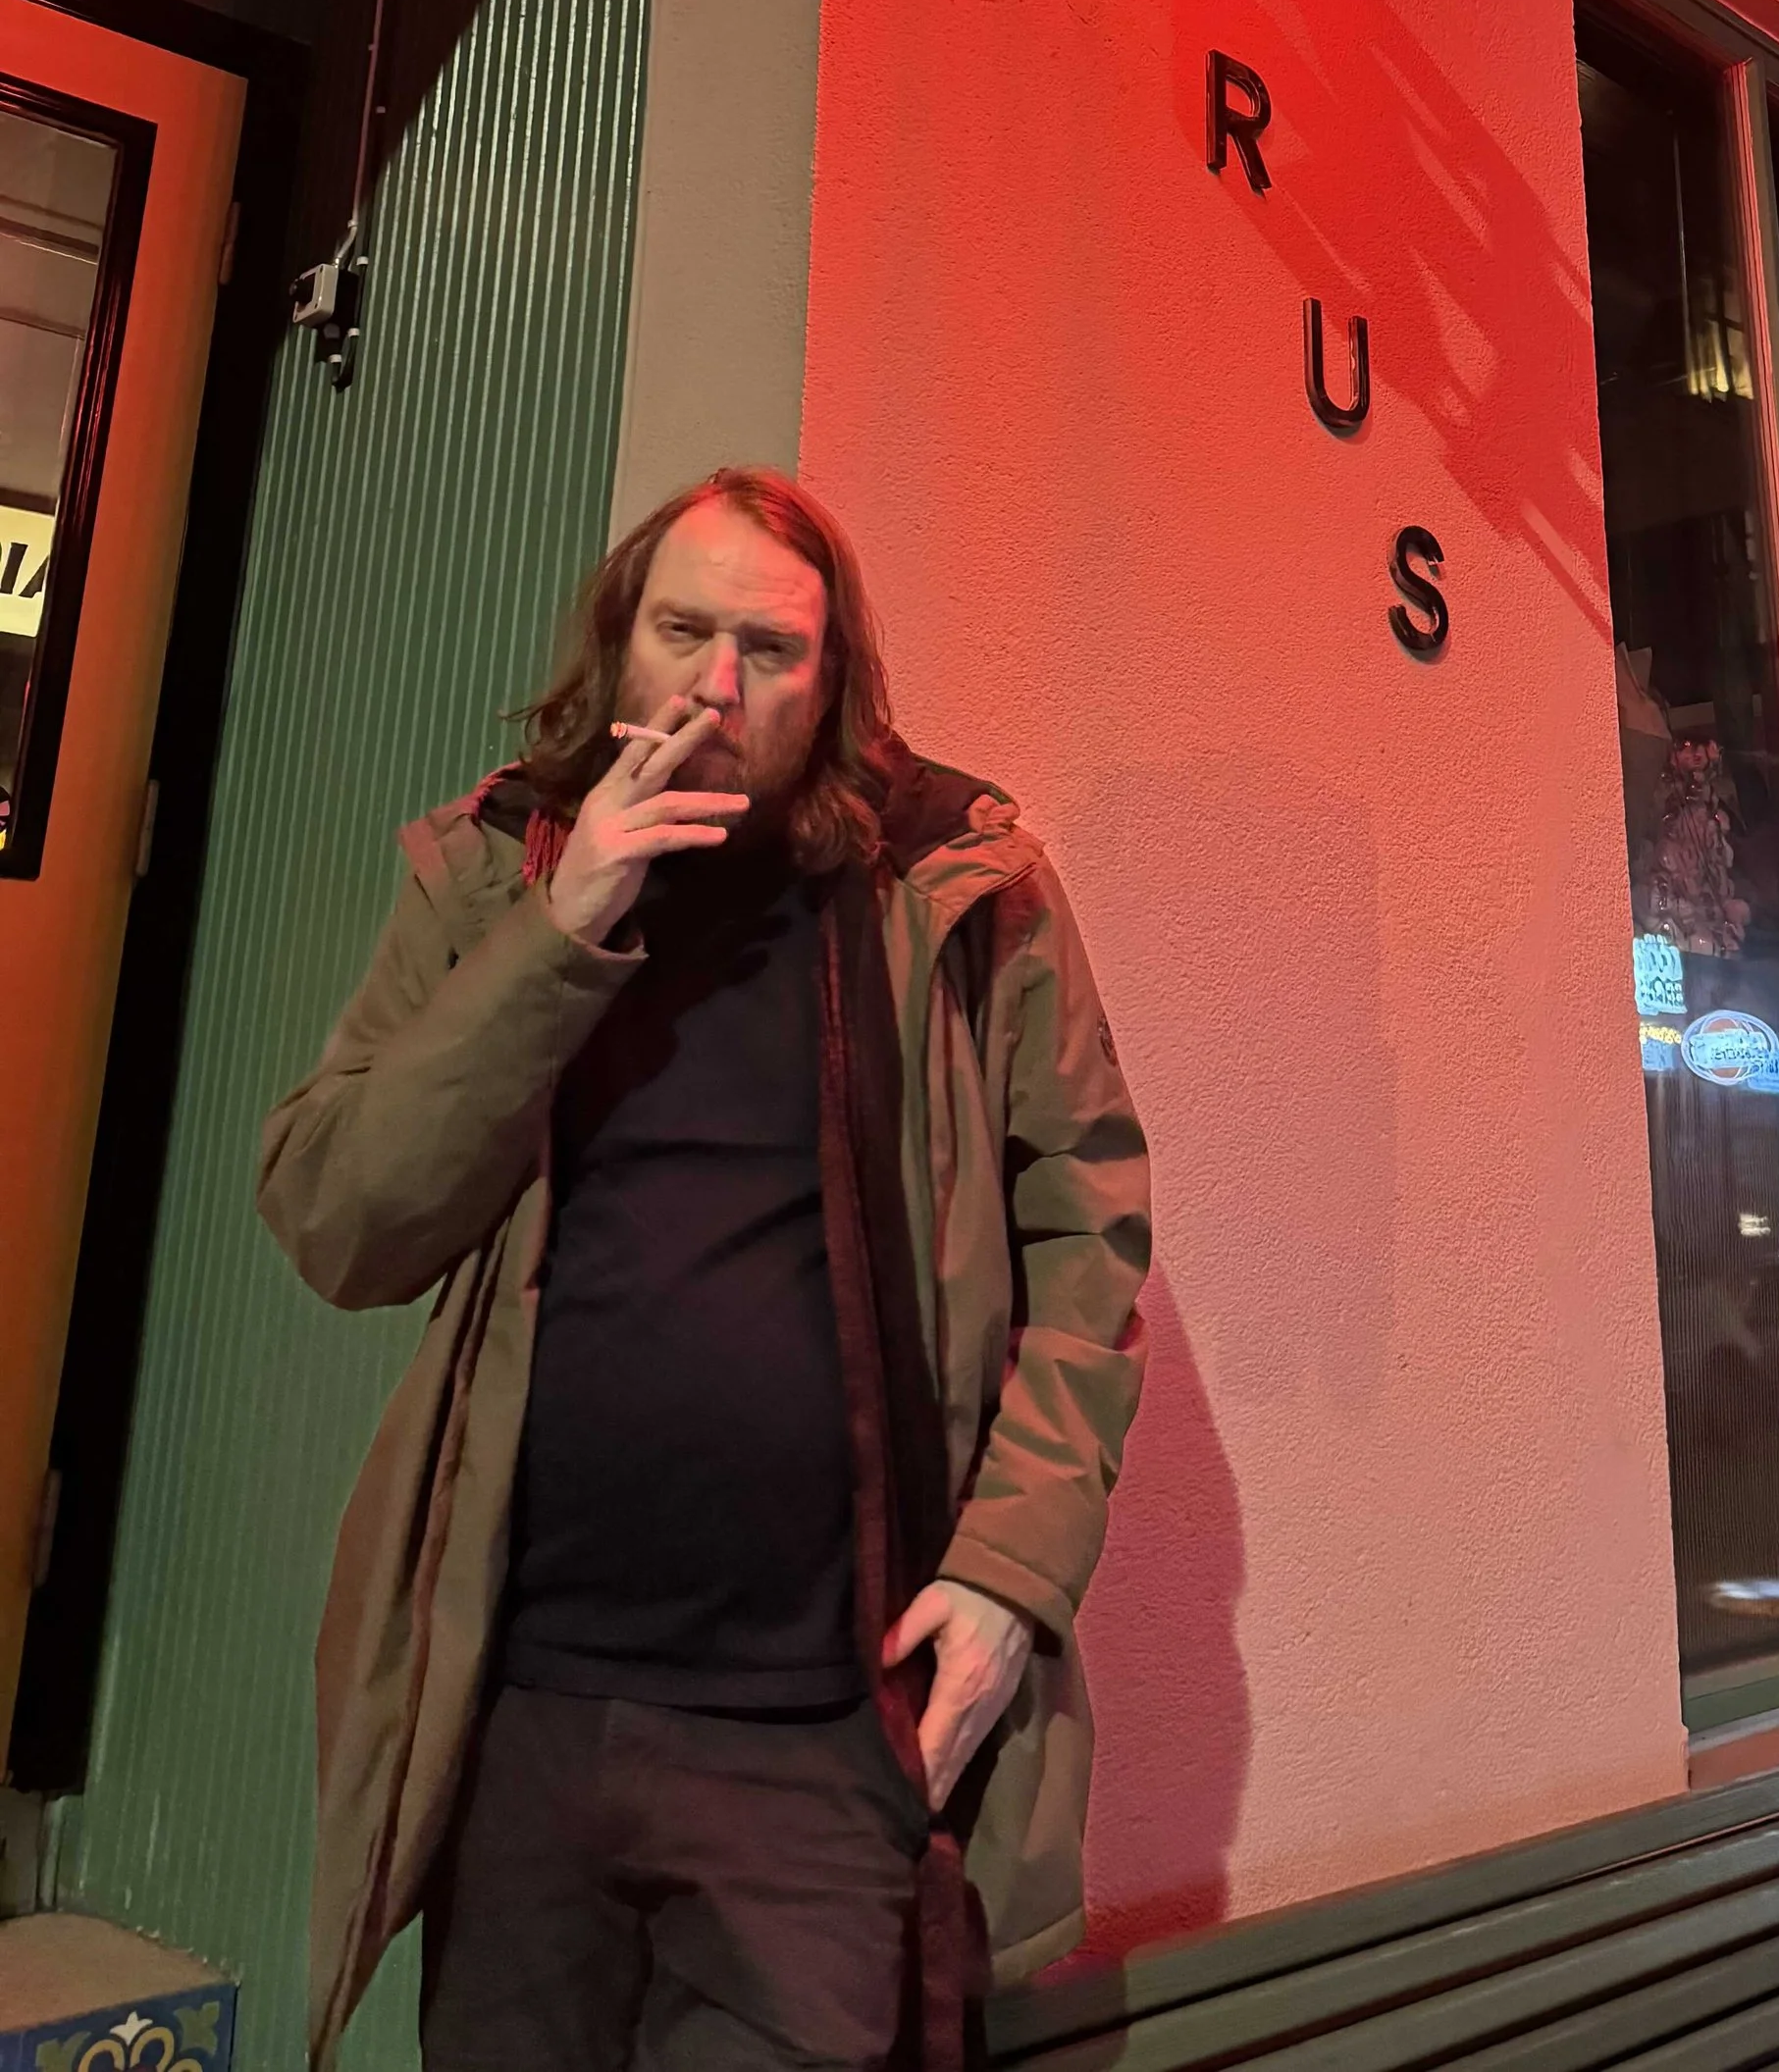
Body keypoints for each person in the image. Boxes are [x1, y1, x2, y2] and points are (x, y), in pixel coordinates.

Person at [259, 469, 1150, 2072]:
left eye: (770, 648)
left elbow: (1090, 1234)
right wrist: (566, 925)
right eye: (682, 631)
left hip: (820, 1734)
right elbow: (342, 1221)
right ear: (619, 640)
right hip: (524, 1712)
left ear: (838, 678)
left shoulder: (957, 882)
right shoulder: (494, 869)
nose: (717, 686)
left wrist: (1017, 1571)